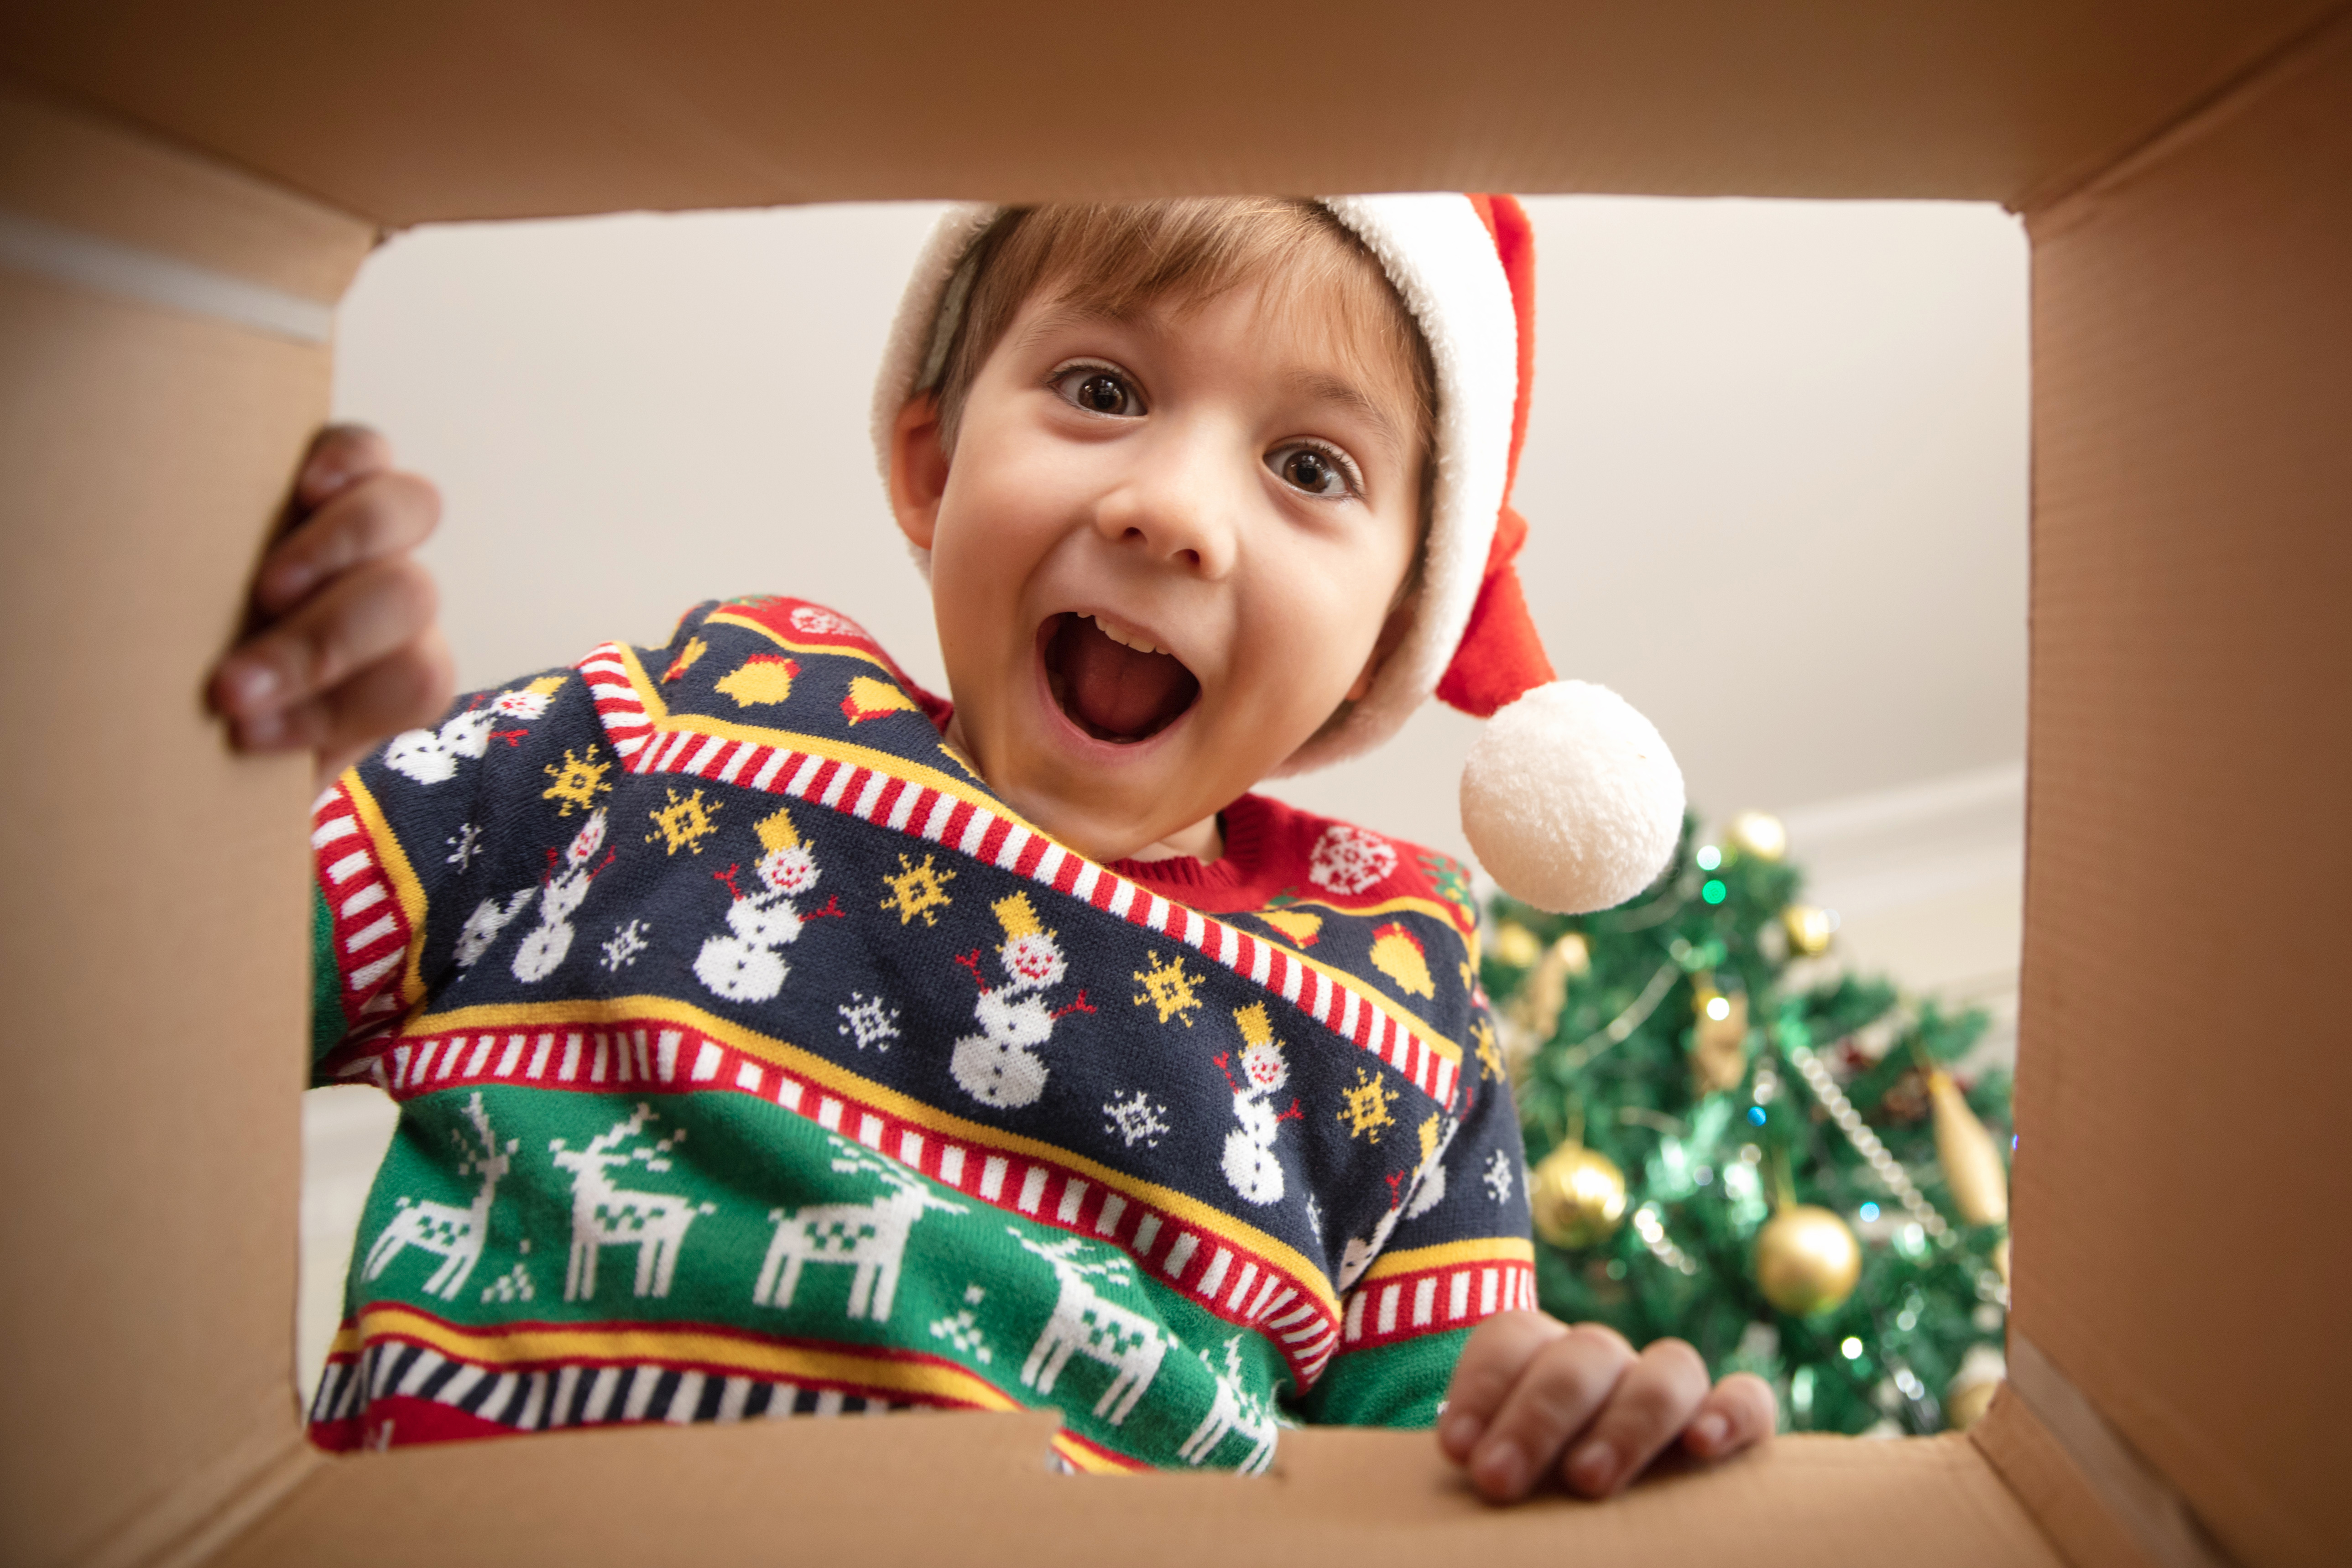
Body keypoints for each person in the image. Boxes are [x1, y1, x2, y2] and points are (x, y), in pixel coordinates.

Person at [213, 195, 1775, 1498]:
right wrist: (219, 668)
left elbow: (1443, 1462)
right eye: (1103, 390)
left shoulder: (1402, 991)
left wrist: (1560, 1419)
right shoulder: (681, 716)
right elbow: (166, 976)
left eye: (1311, 468)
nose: (1171, 509)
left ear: (1381, 652)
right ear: (931, 465)